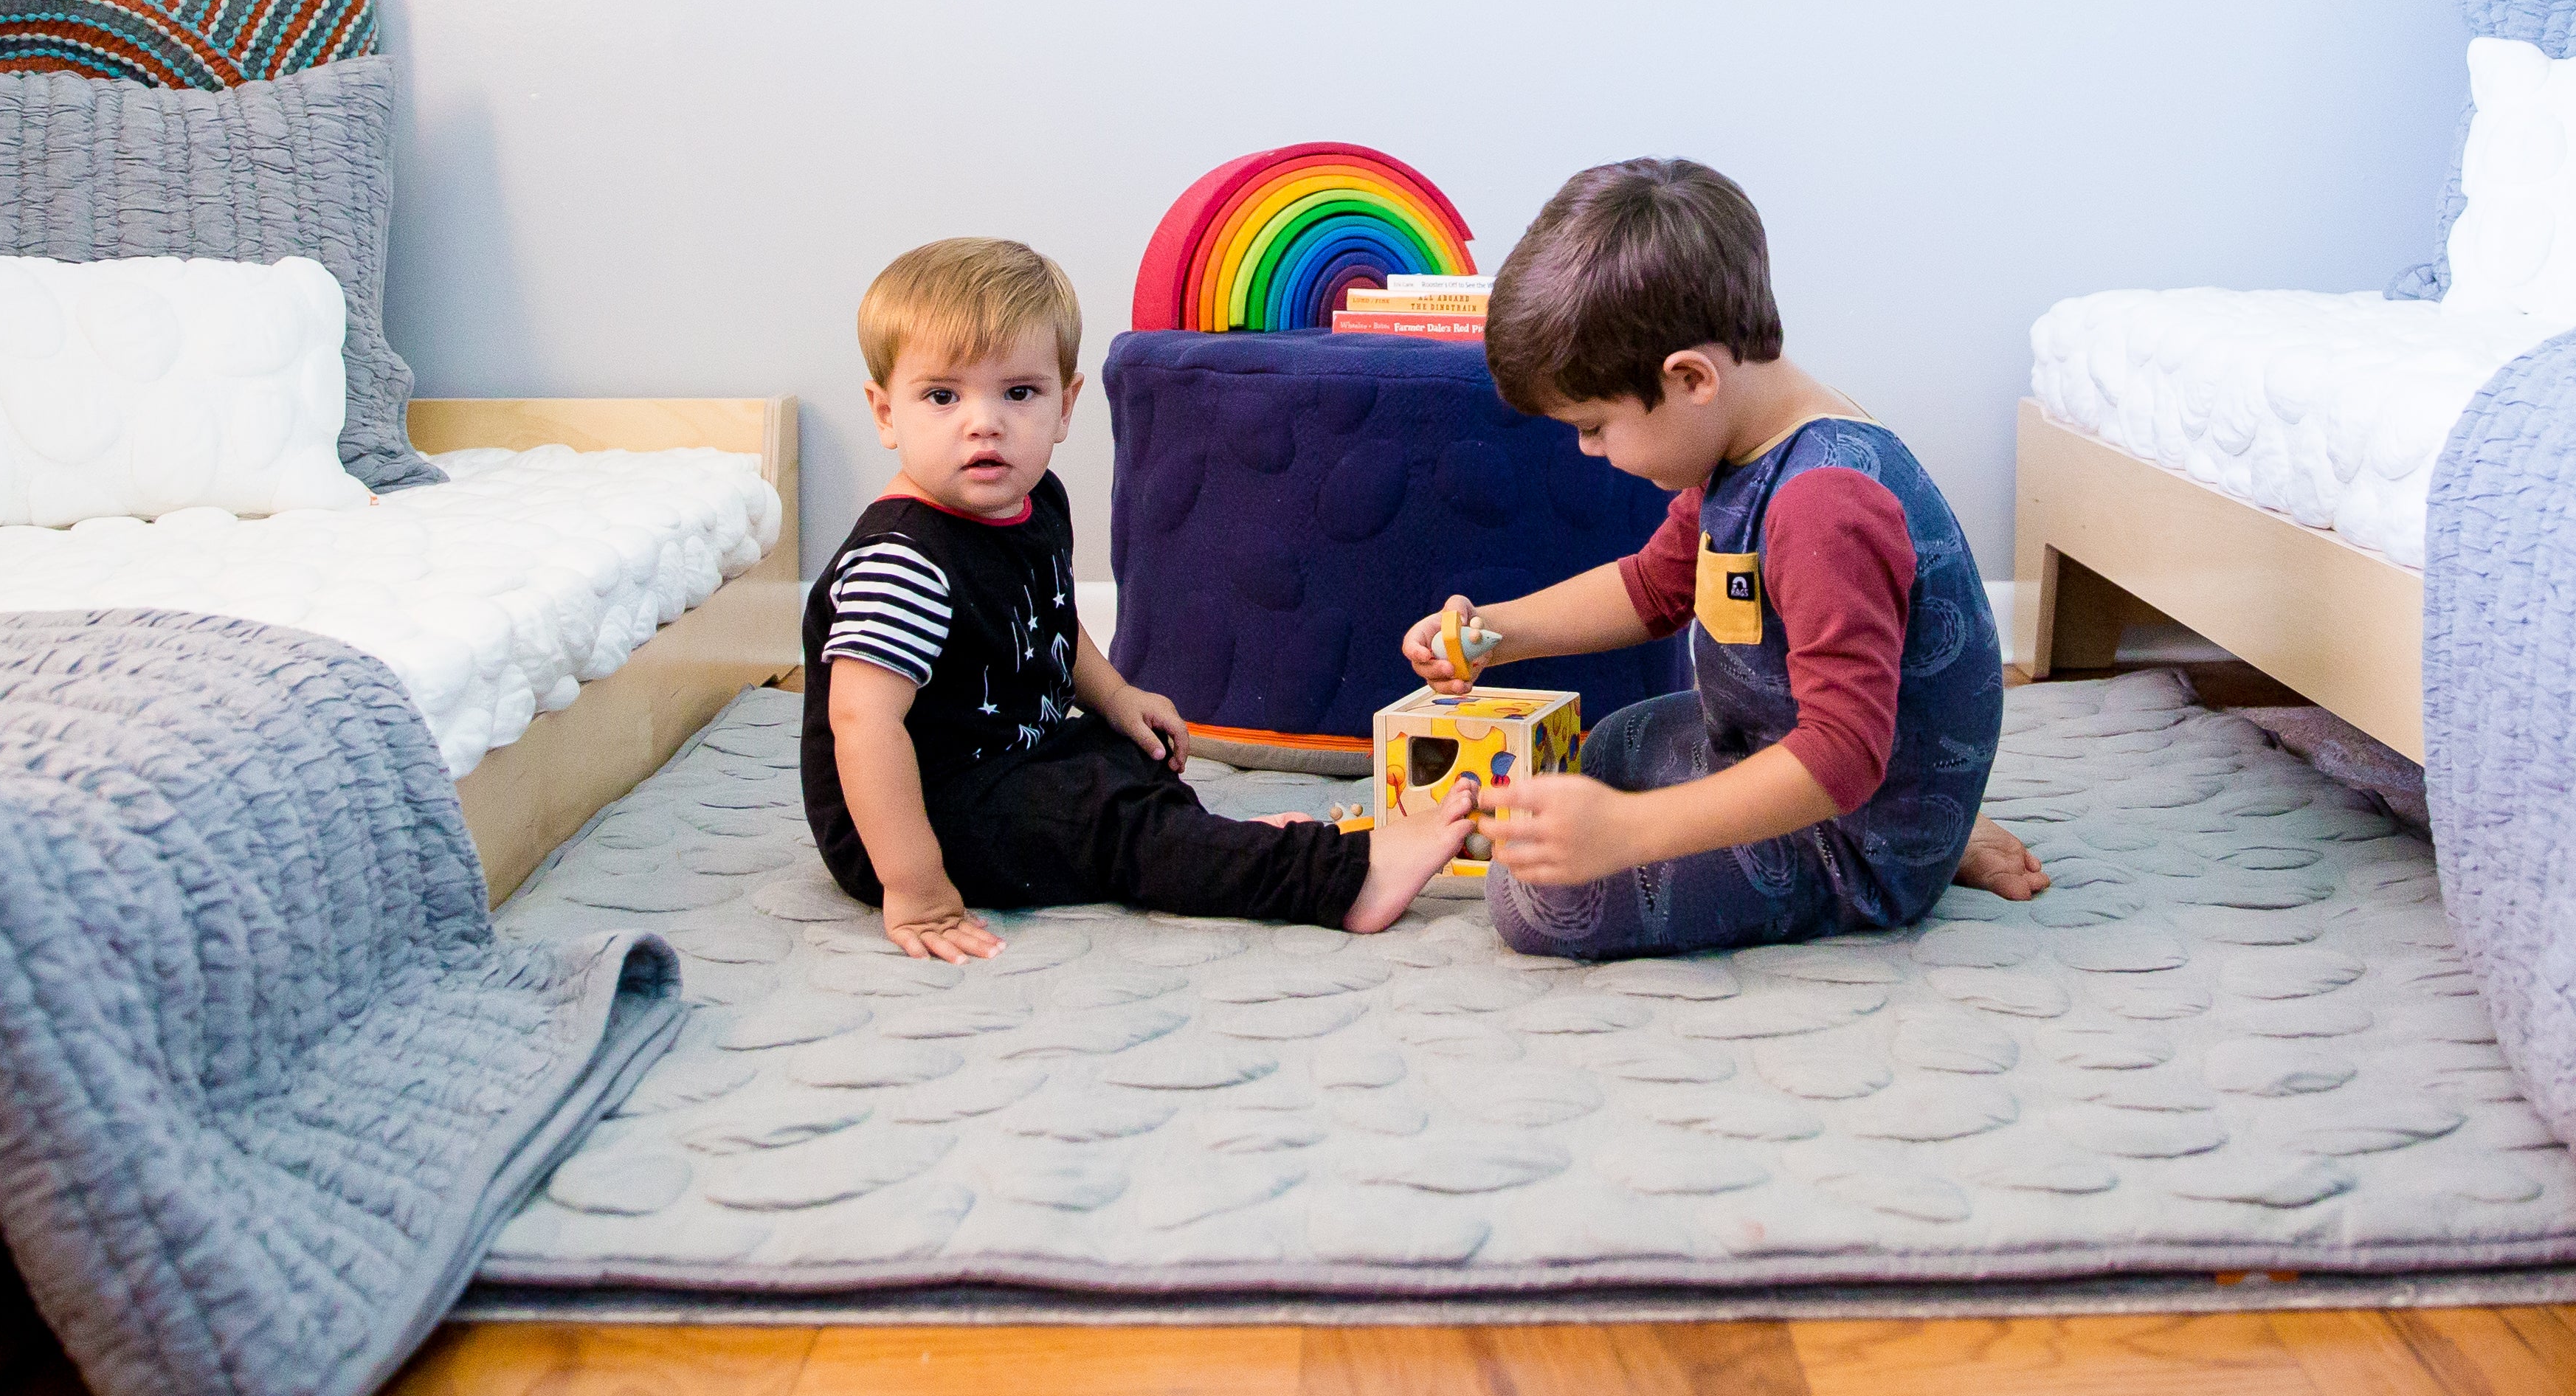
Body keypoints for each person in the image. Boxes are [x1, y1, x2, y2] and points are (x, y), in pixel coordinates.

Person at [1409, 159, 2048, 960]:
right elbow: (1652, 587)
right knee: (1612, 745)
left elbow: (1843, 752)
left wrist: (1632, 833)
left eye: (1596, 424)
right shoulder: (1746, 448)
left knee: (1535, 899)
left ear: (1690, 379)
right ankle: (1934, 816)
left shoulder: (1825, 503)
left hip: (1846, 830)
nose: (1588, 449)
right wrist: (1499, 633)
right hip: (1771, 738)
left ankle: (1927, 841)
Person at [801, 238, 1476, 961]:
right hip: (913, 815)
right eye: (942, 396)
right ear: (884, 413)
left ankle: (1216, 846)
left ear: (1065, 405)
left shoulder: (1029, 502)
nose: (983, 422)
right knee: (1114, 825)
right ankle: (1343, 881)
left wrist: (1117, 696)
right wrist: (915, 885)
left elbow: (1045, 618)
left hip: (1003, 758)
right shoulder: (902, 561)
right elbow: (863, 728)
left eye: (1018, 392)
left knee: (1121, 754)